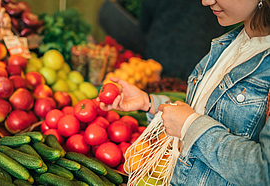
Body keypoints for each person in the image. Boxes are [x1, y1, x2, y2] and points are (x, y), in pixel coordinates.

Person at [99, 0, 270, 185]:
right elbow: (203, 113)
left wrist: (190, 126)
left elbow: (264, 171)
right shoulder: (229, 43)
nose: (206, 1)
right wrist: (149, 103)